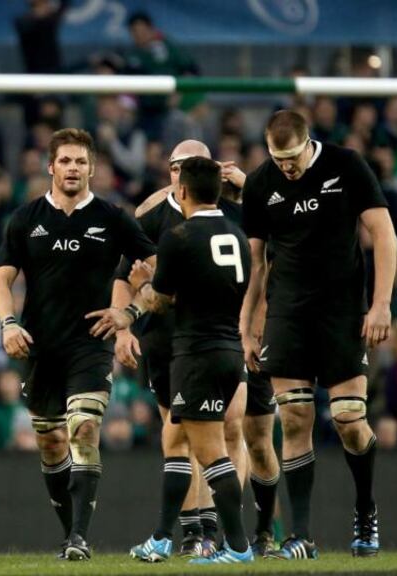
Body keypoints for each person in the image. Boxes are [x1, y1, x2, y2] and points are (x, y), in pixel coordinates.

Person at [0, 128, 156, 561]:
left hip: (91, 343)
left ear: (93, 169)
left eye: (81, 162)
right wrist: (8, 323)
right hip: (38, 346)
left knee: (83, 428)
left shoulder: (113, 217)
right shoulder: (26, 218)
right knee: (50, 442)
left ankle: (80, 536)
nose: (73, 168)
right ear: (50, 166)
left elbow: (159, 270)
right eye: (65, 161)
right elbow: (2, 278)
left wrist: (129, 314)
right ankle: (71, 534)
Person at [240, 110, 396, 559]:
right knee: (293, 419)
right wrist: (246, 327)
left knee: (349, 419)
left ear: (308, 143)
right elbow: (256, 263)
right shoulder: (260, 184)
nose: (286, 167)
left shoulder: (346, 165)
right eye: (277, 158)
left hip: (342, 310)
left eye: (292, 158)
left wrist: (381, 303)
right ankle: (301, 534)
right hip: (287, 312)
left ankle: (365, 510)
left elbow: (383, 232)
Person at [114, 140, 278, 561]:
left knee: (207, 449)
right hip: (229, 348)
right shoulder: (240, 237)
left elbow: (162, 300)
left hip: (193, 351)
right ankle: (161, 537)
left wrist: (142, 284)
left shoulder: (179, 236)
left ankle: (236, 544)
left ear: (182, 190)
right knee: (177, 438)